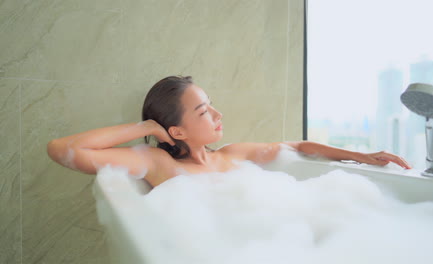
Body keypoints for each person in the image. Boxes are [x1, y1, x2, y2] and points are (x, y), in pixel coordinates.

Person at [47, 75, 411, 187]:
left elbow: (298, 146)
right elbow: (63, 149)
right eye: (204, 111)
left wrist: (363, 157)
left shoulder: (233, 154)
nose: (218, 114)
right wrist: (144, 128)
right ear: (177, 130)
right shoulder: (159, 163)